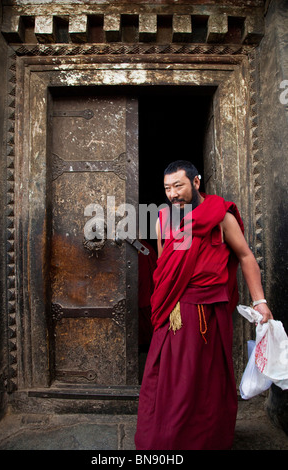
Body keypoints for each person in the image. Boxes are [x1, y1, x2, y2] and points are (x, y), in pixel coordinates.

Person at [135, 160, 273, 451]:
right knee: (169, 380)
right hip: (172, 312)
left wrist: (259, 301)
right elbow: (164, 268)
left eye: (179, 186)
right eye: (167, 188)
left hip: (207, 312)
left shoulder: (220, 215)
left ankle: (204, 440)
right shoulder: (163, 219)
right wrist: (164, 303)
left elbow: (246, 257)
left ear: (196, 182)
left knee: (205, 379)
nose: (173, 194)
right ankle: (165, 441)